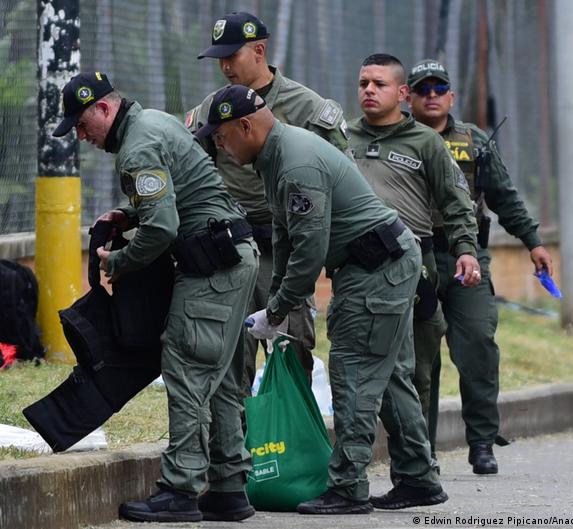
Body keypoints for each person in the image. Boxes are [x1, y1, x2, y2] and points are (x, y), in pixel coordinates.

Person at [200, 84, 448, 514]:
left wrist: (278, 307)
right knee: (386, 375)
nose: (220, 147)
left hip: (375, 269)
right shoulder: (273, 156)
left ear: (245, 126)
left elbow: (310, 248)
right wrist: (277, 299)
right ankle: (418, 478)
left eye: (222, 137)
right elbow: (284, 234)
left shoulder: (294, 162)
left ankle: (348, 486)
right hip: (381, 262)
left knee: (352, 370)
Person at [52, 72, 258, 523]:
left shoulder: (137, 146)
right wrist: (129, 214)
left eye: (83, 125)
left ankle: (181, 491)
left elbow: (162, 228)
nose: (82, 136)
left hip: (213, 265)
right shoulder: (157, 123)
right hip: (231, 256)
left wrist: (119, 260)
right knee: (217, 374)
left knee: (185, 365)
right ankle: (228, 488)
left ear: (105, 109)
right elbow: (176, 195)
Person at [407, 58, 554, 474]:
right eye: (423, 90)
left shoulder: (473, 141)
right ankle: (420, 449)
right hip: (414, 257)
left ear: (451, 96)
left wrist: (533, 242)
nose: (432, 96)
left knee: (477, 348)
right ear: (409, 97)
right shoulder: (397, 139)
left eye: (439, 89)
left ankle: (482, 442)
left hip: (465, 257)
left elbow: (504, 197)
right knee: (420, 358)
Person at [186, 11, 348, 387]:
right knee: (231, 357)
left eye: (232, 56)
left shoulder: (306, 107)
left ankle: (291, 442)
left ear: (259, 51)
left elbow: (343, 175)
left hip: (288, 252)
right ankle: (236, 443)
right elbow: (189, 170)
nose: (224, 66)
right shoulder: (214, 110)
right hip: (233, 250)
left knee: (291, 353)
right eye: (219, 59)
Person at [346, 53, 482, 472]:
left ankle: (419, 463)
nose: (369, 90)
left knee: (415, 371)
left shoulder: (425, 142)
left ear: (402, 93)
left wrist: (465, 249)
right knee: (355, 369)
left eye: (380, 84)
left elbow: (456, 202)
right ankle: (359, 466)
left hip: (414, 266)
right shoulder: (341, 138)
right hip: (356, 270)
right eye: (364, 82)